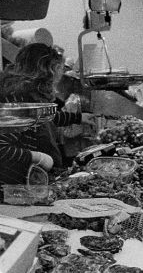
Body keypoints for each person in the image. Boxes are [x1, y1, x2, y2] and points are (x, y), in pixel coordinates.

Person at [0, 43, 82, 185]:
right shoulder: (19, 98)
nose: (61, 75)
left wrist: (78, 118)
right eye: (59, 69)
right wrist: (38, 157)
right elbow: (1, 149)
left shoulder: (27, 94)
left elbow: (41, 116)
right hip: (9, 186)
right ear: (49, 71)